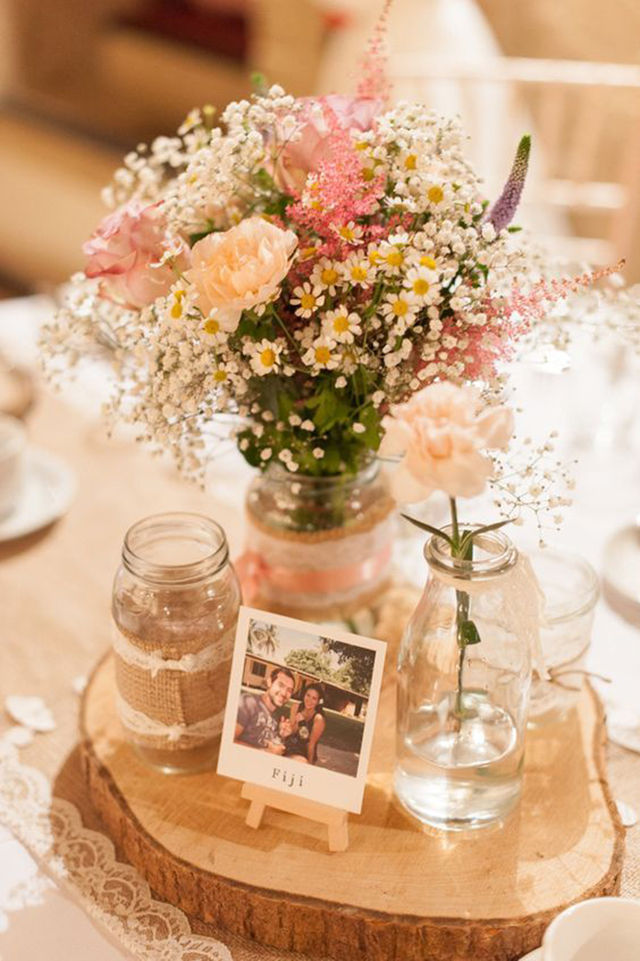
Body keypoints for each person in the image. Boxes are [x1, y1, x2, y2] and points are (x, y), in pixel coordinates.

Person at [235, 667, 295, 754]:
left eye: (289, 690)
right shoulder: (248, 702)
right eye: (281, 685)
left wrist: (282, 736)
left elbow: (272, 745)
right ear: (269, 682)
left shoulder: (276, 717)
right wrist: (265, 752)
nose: (284, 693)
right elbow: (227, 741)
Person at [282, 682, 326, 765]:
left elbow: (310, 744)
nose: (309, 700)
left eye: (314, 698)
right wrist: (295, 723)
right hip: (290, 746)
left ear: (318, 701)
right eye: (308, 695)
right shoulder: (296, 707)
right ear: (304, 695)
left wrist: (309, 765)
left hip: (304, 752)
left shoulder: (318, 719)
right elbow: (291, 732)